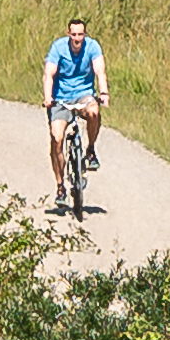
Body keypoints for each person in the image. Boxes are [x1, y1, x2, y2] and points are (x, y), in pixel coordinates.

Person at [41, 15, 107, 213]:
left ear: (85, 35)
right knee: (56, 138)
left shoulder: (93, 47)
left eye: (80, 34)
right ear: (68, 34)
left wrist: (103, 93)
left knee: (94, 113)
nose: (77, 39)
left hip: (84, 96)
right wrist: (47, 97)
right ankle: (61, 187)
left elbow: (100, 71)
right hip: (61, 98)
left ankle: (90, 150)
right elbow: (49, 74)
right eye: (74, 34)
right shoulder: (59, 48)